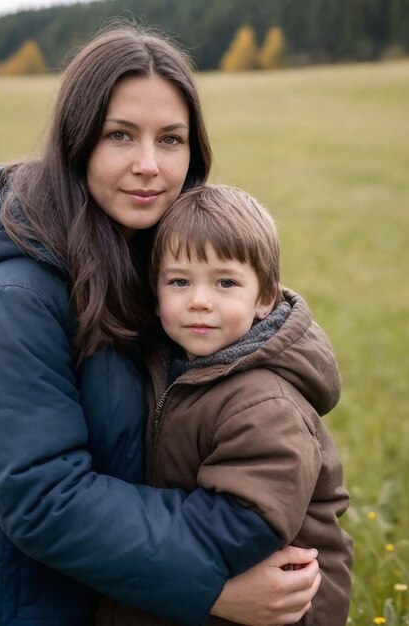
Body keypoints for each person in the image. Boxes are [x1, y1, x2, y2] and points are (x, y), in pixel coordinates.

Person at [0, 24, 321, 626]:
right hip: (39, 605)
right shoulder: (18, 296)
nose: (148, 166)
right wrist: (209, 588)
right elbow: (42, 497)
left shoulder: (163, 265)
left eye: (171, 139)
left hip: (123, 596)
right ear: (76, 143)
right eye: (119, 136)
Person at [97, 184, 353, 626]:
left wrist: (116, 534)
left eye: (225, 283)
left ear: (265, 298)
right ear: (155, 297)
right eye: (179, 281)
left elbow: (244, 522)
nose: (199, 300)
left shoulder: (263, 403)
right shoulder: (169, 367)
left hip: (277, 604)